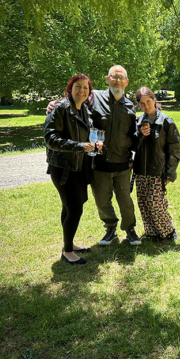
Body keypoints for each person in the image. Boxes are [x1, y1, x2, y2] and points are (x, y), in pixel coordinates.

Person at [47, 65, 141, 247]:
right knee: (102, 201)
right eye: (114, 77)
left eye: (121, 78)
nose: (118, 81)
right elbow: (74, 100)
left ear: (126, 82)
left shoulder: (130, 106)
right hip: (98, 163)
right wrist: (53, 104)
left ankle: (130, 229)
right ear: (108, 79)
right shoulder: (93, 97)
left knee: (126, 201)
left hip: (122, 164)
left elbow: (132, 134)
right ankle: (110, 228)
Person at [44, 74, 102, 265]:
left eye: (86, 88)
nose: (82, 90)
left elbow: (89, 132)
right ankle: (68, 251)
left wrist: (96, 143)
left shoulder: (84, 108)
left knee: (68, 207)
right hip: (63, 168)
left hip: (79, 166)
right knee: (75, 209)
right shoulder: (61, 108)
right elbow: (51, 139)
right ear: (70, 88)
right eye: (78, 86)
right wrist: (79, 146)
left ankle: (69, 244)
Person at [134, 87, 180, 240]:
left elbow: (175, 149)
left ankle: (168, 231)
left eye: (148, 102)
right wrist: (140, 135)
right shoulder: (139, 121)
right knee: (143, 203)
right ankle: (152, 232)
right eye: (142, 103)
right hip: (141, 170)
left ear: (154, 100)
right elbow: (132, 145)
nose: (146, 106)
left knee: (156, 203)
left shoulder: (166, 121)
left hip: (158, 171)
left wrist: (170, 173)